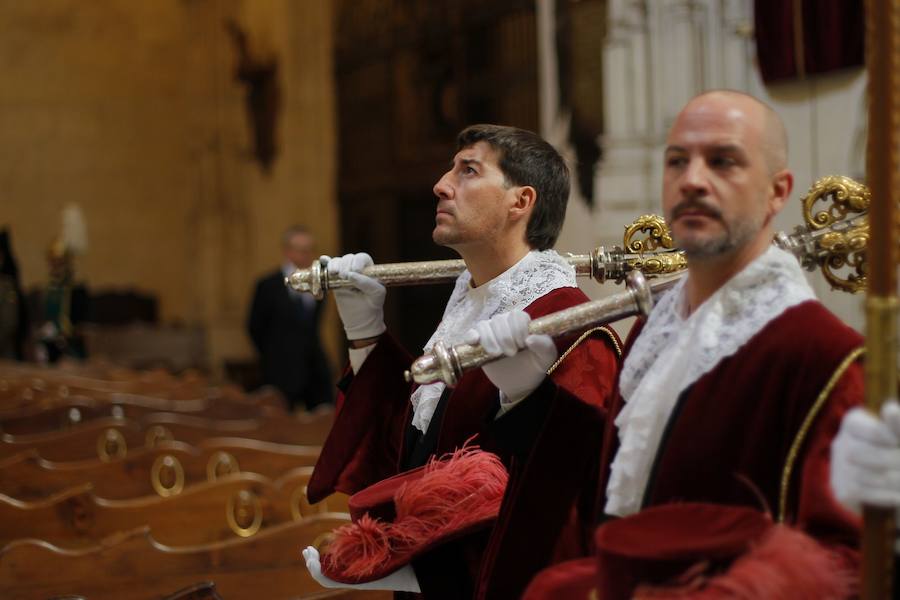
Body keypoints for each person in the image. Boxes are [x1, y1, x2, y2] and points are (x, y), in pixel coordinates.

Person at [469, 92, 864, 597]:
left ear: (777, 191)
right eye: (677, 160)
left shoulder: (825, 354)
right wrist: (528, 395)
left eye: (723, 161)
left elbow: (846, 564)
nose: (693, 179)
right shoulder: (653, 333)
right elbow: (606, 495)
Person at [303, 124, 622, 598]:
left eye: (468, 170)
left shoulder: (571, 325)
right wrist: (365, 333)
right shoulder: (469, 303)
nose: (441, 184)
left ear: (521, 202)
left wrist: (430, 573)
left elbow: (572, 503)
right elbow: (411, 452)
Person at [247, 226, 333, 411]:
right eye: (300, 250)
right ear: (287, 251)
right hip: (280, 370)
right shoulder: (267, 285)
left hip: (314, 369)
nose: (305, 255)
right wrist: (274, 356)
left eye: (309, 250)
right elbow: (255, 327)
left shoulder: (320, 283)